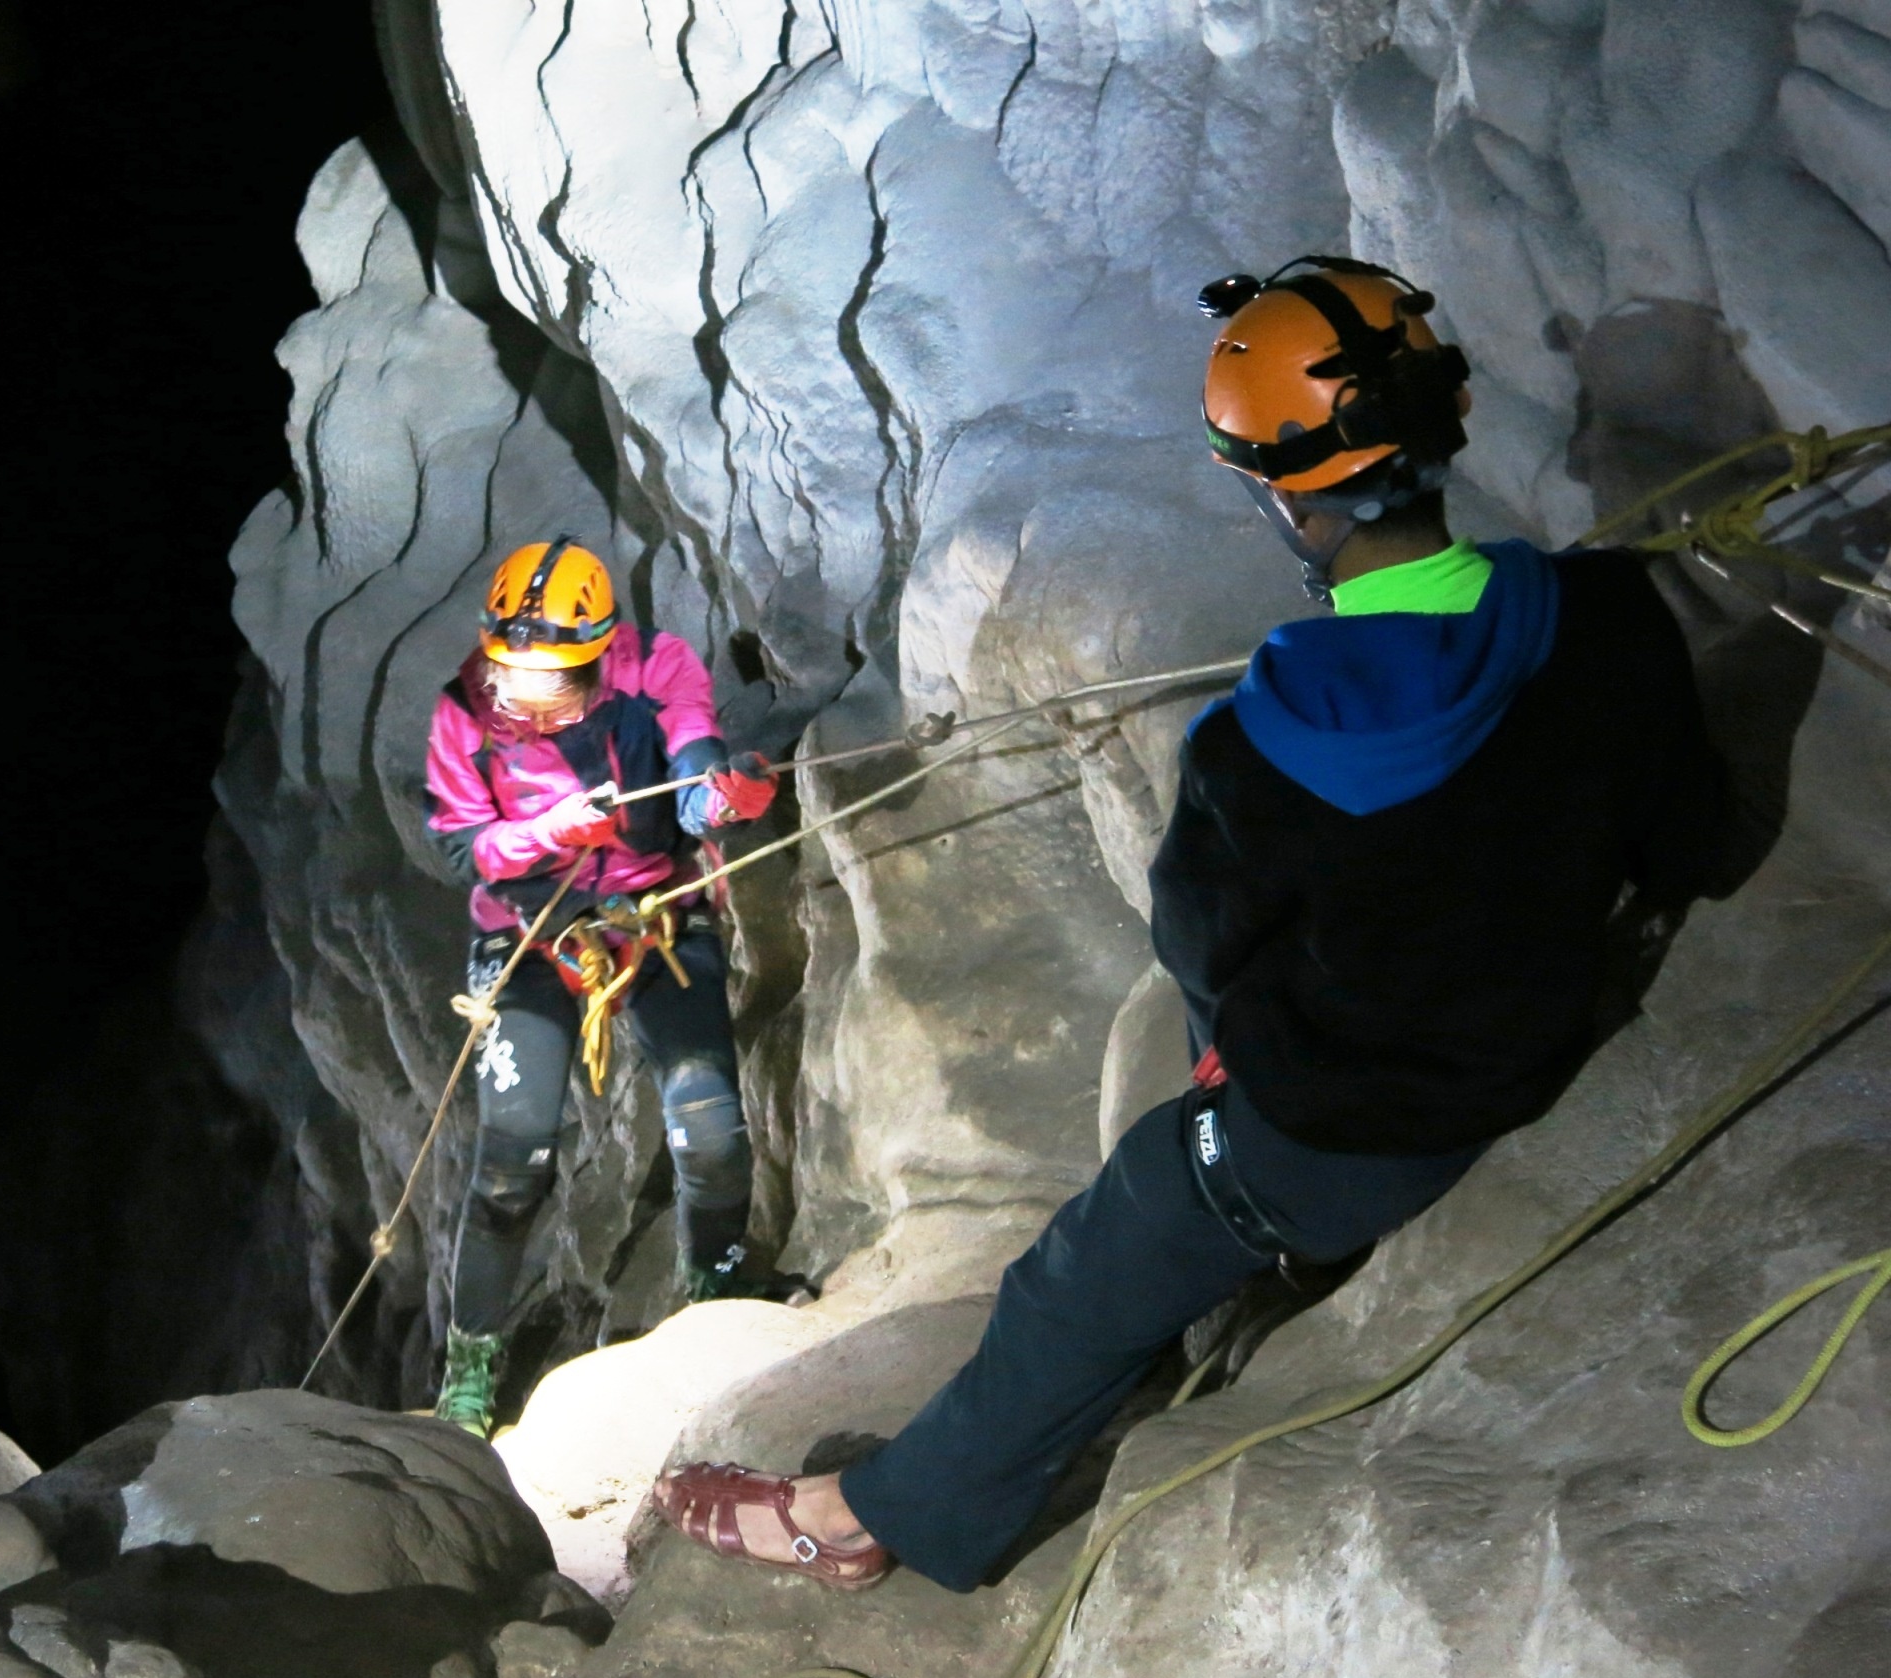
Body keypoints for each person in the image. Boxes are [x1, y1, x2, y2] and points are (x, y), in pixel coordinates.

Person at [650, 257, 1741, 1589]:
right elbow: (1695, 838)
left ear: (1286, 492)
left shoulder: (1265, 741)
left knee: (1084, 1263)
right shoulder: (1609, 611)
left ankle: (874, 1515)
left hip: (1351, 1130)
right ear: (1446, 421)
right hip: (1545, 1020)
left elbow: (1208, 951)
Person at [421, 537, 781, 1438]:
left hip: (650, 914)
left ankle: (720, 1297)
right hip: (532, 934)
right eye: (512, 672)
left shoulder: (657, 670)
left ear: (595, 654)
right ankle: (470, 1370)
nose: (524, 697)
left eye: (549, 678)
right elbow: (465, 843)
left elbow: (694, 770)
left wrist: (723, 798)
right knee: (512, 1165)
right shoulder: (466, 708)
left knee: (712, 1134)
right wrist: (546, 829)